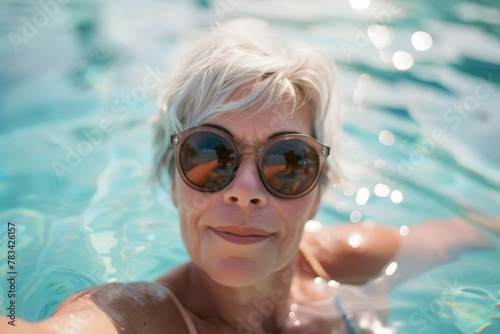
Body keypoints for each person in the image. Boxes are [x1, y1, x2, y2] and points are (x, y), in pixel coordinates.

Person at [3, 18, 496, 334]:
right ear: (173, 180)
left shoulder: (343, 265)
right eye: (210, 154)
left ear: (320, 191)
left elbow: (477, 231)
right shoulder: (143, 317)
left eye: (288, 163)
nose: (244, 191)